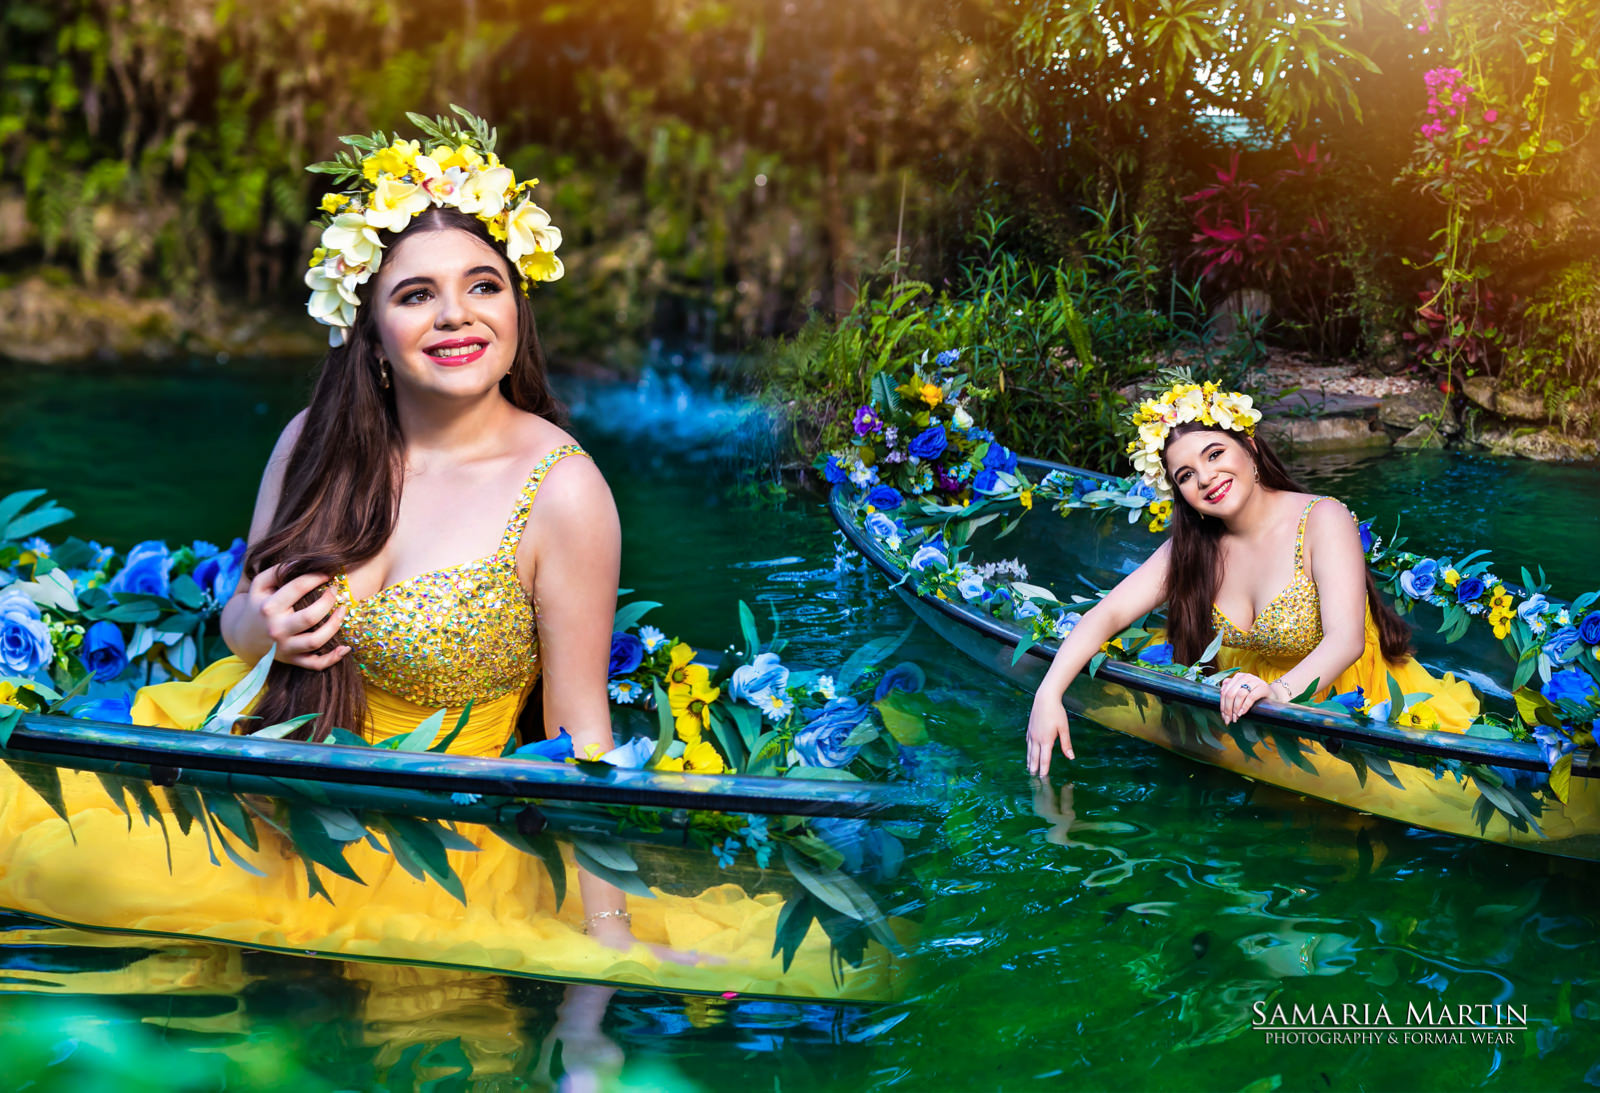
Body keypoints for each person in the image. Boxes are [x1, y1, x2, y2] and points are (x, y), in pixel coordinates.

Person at [1026, 381, 1479, 776]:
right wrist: (1048, 694)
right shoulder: (1192, 549)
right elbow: (1108, 614)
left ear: (1251, 448)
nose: (1207, 478)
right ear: (1179, 492)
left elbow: (1347, 641)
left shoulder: (1323, 518)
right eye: (1186, 475)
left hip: (1349, 697)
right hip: (1250, 700)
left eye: (1216, 453)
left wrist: (1276, 692)